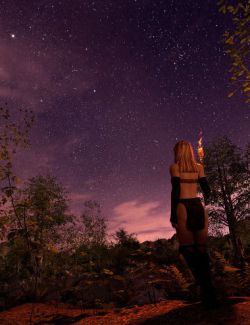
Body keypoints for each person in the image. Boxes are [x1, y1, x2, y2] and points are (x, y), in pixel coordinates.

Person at [169, 140, 219, 309]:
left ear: (177, 152)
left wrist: (172, 215)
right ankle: (209, 291)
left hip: (183, 206)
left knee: (188, 249)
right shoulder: (199, 167)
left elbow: (175, 191)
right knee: (201, 249)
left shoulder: (175, 167)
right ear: (190, 151)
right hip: (198, 206)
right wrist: (208, 203)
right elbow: (207, 190)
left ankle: (203, 287)